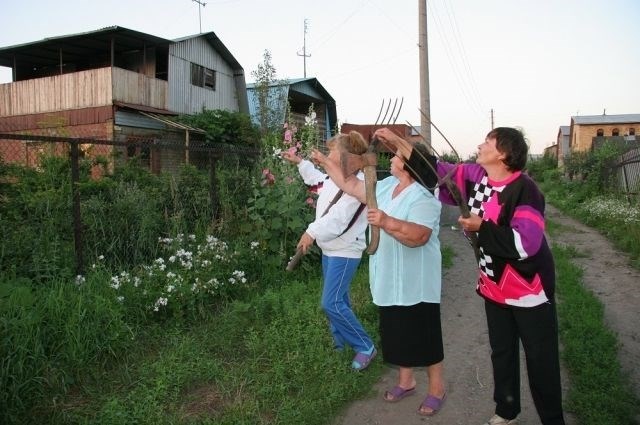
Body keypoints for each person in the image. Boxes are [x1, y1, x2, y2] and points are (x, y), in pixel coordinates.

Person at [374, 126, 566, 425]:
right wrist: (399, 142)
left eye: (487, 142)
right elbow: (435, 173)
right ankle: (506, 410)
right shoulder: (475, 177)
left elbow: (525, 243)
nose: (479, 145)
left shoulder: (525, 190)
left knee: (540, 359)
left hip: (529, 288)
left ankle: (553, 420)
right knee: (501, 352)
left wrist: (482, 228)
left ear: (502, 153)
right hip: (493, 284)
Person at [311, 140, 447, 416]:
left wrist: (387, 222)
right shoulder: (385, 187)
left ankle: (436, 389)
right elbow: (350, 186)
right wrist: (326, 163)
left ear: (409, 165)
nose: (391, 158)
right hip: (388, 277)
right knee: (396, 332)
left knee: (425, 337)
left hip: (417, 282)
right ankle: (406, 381)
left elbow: (419, 236)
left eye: (397, 155)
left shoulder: (424, 197)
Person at [282, 131, 376, 371]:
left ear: (346, 157)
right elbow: (316, 179)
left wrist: (311, 232)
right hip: (330, 249)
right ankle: (340, 344)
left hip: (345, 252)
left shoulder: (357, 187)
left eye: (333, 151)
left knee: (331, 302)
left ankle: (365, 346)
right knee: (339, 299)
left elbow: (338, 218)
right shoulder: (334, 180)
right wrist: (301, 163)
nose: (327, 154)